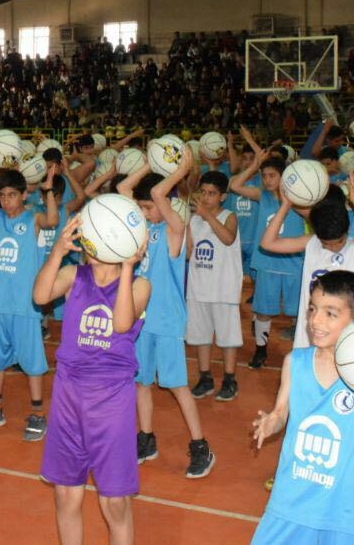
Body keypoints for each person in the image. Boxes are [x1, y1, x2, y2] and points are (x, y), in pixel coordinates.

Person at [250, 271, 354, 543]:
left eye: (331, 313)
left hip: (349, 513)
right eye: (313, 309)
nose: (316, 320)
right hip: (293, 501)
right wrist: (272, 422)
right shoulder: (296, 362)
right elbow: (281, 412)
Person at [34, 216, 149, 545]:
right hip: (68, 395)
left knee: (115, 503)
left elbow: (122, 323)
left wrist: (127, 267)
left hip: (112, 399)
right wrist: (57, 252)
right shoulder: (73, 275)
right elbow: (40, 296)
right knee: (66, 495)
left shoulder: (141, 285)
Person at [118, 147, 214, 478]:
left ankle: (201, 446)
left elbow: (159, 192)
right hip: (141, 321)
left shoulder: (174, 229)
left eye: (149, 208)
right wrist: (147, 165)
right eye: (142, 207)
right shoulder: (143, 228)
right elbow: (121, 191)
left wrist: (181, 168)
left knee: (177, 386)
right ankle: (146, 439)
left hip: (168, 320)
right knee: (141, 383)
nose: (144, 212)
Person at [0, 162, 59, 439]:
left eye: (12, 195)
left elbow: (52, 220)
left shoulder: (33, 219)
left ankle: (39, 414)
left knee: (32, 362)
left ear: (24, 195)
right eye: (2, 196)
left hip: (24, 305)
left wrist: (49, 191)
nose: (6, 201)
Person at [257, 175, 354, 350]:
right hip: (310, 335)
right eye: (326, 243)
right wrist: (285, 205)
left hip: (344, 340)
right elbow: (267, 243)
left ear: (348, 230)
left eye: (338, 242)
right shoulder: (311, 243)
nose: (332, 248)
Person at [230, 129, 306, 369]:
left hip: (295, 262)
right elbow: (235, 184)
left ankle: (301, 353)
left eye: (272, 175)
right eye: (265, 176)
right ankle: (261, 350)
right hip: (268, 263)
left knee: (300, 312)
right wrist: (255, 166)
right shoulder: (262, 195)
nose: (267, 180)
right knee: (262, 311)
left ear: (285, 177)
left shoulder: (302, 198)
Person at [185, 171, 242, 403]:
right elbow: (190, 253)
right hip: (199, 287)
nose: (206, 197)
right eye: (203, 193)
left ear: (223, 196)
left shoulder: (230, 216)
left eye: (211, 194)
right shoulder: (194, 220)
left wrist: (207, 215)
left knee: (228, 338)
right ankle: (205, 376)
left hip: (224, 288)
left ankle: (229, 379)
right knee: (200, 337)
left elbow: (228, 238)